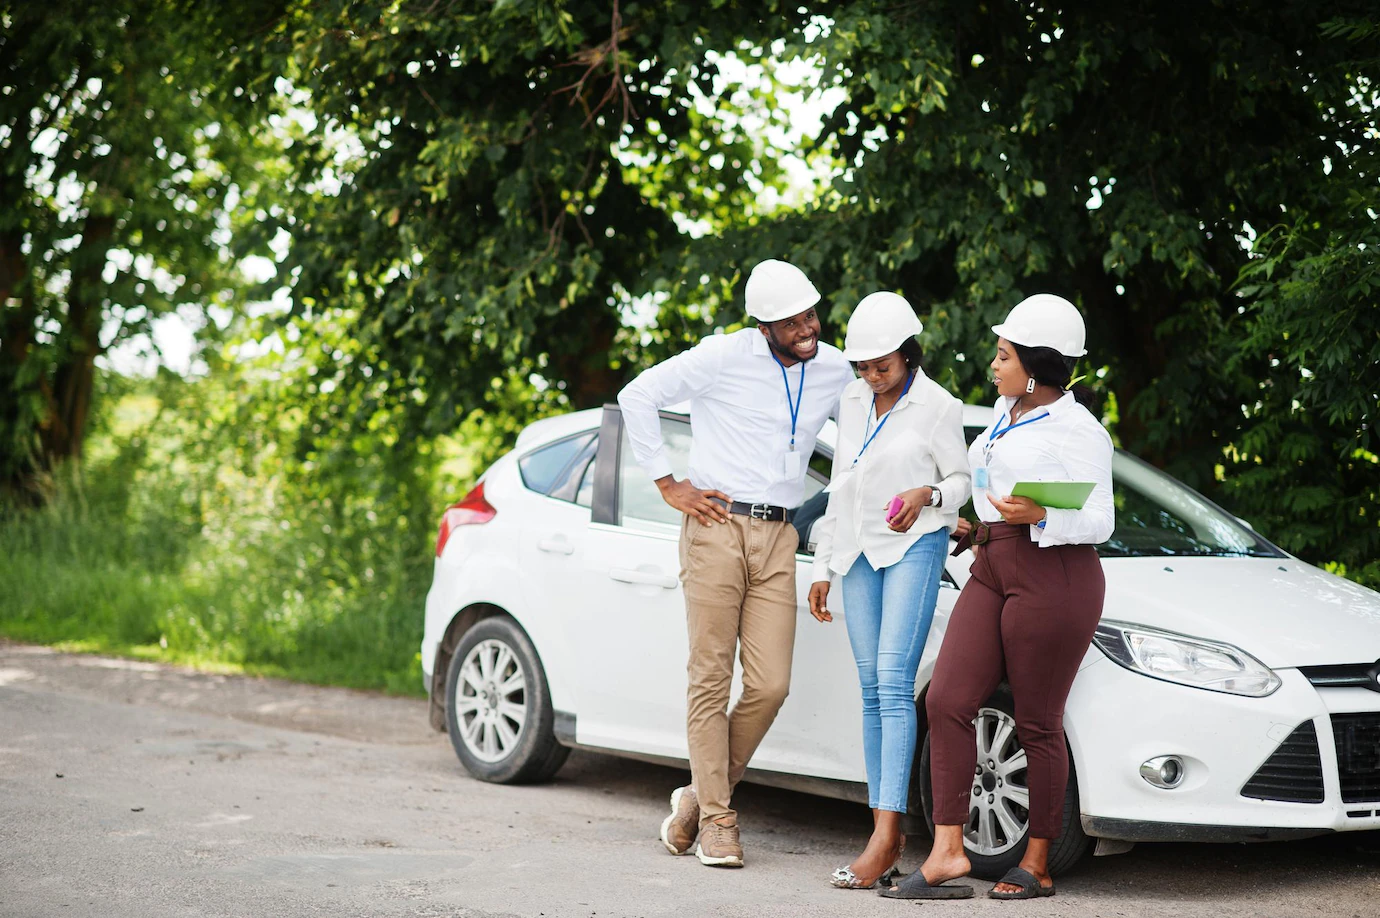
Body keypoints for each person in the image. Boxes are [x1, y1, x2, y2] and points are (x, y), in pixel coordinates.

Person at [616, 259, 854, 868]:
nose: (807, 328)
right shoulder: (722, 356)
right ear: (763, 324)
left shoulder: (832, 367)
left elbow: (863, 445)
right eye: (791, 321)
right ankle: (720, 821)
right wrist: (669, 485)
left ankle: (698, 795)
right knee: (710, 676)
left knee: (772, 683)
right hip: (716, 527)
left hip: (780, 534)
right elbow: (637, 395)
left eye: (810, 315)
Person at [884, 294, 1114, 901]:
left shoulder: (1078, 428)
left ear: (1035, 365)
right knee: (949, 700)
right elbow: (985, 486)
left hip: (1055, 573)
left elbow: (1100, 519)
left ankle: (1036, 863)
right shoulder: (1004, 414)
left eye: (1003, 354)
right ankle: (948, 853)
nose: (993, 363)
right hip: (992, 563)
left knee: (1037, 722)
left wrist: (1042, 513)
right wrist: (964, 518)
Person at [805, 292, 970, 890]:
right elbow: (840, 485)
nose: (872, 378)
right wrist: (823, 564)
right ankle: (888, 832)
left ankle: (883, 835)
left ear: (909, 355)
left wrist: (927, 495)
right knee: (872, 688)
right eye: (863, 367)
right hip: (856, 550)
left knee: (896, 683)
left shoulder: (939, 406)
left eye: (883, 366)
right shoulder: (852, 400)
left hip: (914, 544)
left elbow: (961, 481)